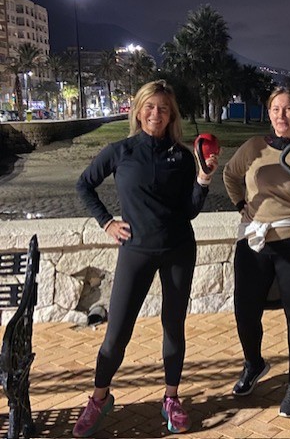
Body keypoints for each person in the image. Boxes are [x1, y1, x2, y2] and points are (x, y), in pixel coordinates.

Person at [73, 80, 219, 437]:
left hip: (178, 250)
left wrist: (203, 179)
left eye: (163, 109)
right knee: (116, 333)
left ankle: (171, 398)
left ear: (171, 116)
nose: (156, 114)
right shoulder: (120, 151)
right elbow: (84, 185)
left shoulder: (182, 156)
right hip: (136, 251)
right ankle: (99, 398)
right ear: (138, 111)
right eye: (150, 107)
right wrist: (106, 222)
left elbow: (190, 211)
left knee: (173, 327)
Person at [223, 87, 290, 419]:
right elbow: (230, 175)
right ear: (269, 114)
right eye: (276, 109)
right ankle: (254, 363)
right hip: (255, 242)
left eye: (288, 109)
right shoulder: (253, 147)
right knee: (245, 310)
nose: (282, 115)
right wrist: (241, 204)